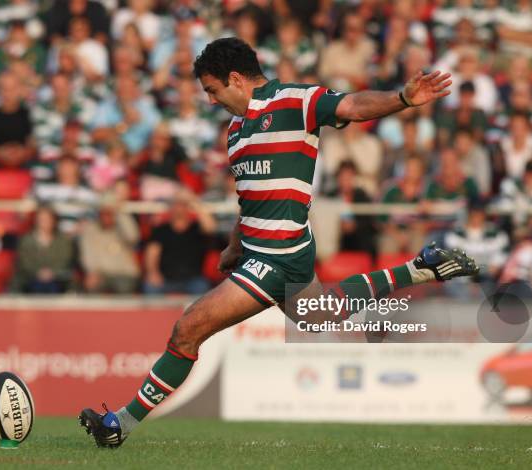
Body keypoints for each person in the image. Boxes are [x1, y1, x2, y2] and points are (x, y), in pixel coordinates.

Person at [79, 37, 478, 447]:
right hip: (264, 251)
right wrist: (235, 244)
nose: (212, 101)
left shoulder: (296, 99)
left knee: (188, 327)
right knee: (321, 316)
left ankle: (118, 426)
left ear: (235, 79)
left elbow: (353, 107)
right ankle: (420, 267)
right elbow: (250, 196)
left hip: (278, 254)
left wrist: (402, 99)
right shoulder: (235, 131)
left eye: (213, 90)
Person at [143, 190, 216, 295]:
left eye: (182, 205)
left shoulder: (197, 228)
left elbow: (211, 228)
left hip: (193, 280)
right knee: (150, 287)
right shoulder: (161, 230)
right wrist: (153, 272)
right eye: (175, 204)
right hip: (166, 279)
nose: (178, 209)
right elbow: (152, 252)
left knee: (202, 288)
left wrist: (194, 202)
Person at [80, 193, 140, 295]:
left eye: (109, 213)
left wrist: (120, 213)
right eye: (103, 213)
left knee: (124, 287)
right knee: (92, 285)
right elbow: (87, 255)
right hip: (101, 274)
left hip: (124, 273)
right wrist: (93, 272)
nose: (106, 217)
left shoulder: (122, 228)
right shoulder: (90, 230)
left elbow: (133, 237)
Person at [12, 206, 75, 294]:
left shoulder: (63, 241)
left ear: (54, 220)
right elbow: (24, 263)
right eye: (42, 219)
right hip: (30, 279)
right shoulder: (26, 241)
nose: (45, 222)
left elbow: (65, 261)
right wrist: (39, 273)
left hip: (57, 280)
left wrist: (52, 273)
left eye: (48, 219)